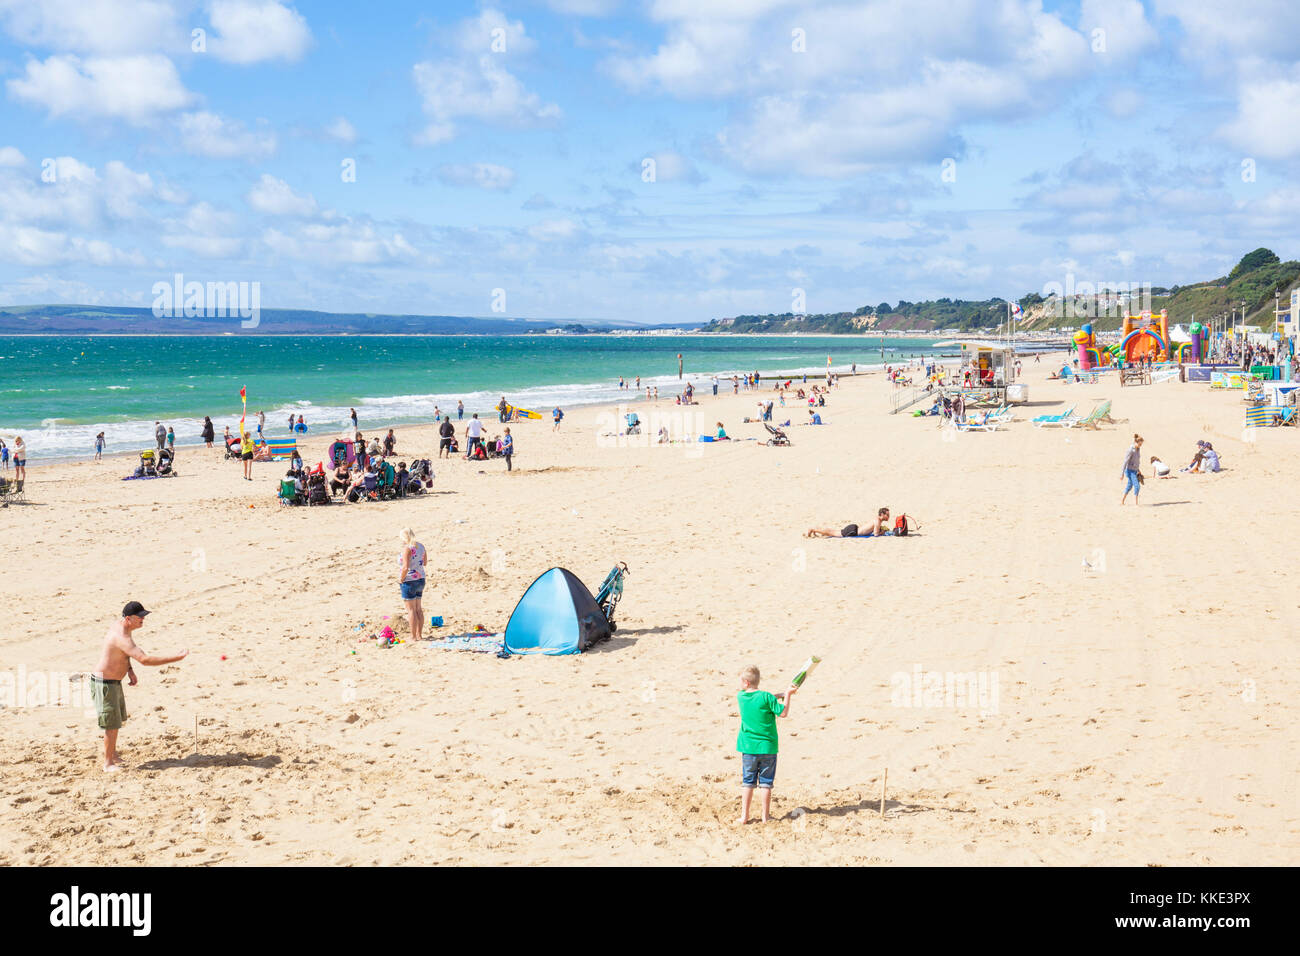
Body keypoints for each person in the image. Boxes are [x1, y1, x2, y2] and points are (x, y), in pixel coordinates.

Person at [92, 601, 188, 772]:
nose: (143, 619)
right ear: (128, 618)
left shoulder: (122, 627)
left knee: (116, 721)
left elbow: (122, 653)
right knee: (111, 724)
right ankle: (108, 763)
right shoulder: (122, 637)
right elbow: (145, 659)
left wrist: (129, 670)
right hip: (104, 684)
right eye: (140, 617)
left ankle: (112, 754)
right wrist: (176, 658)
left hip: (112, 681)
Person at [735, 664, 797, 824]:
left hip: (748, 747)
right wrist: (788, 695)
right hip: (768, 747)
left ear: (746, 683)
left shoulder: (741, 697)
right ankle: (765, 816)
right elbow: (783, 712)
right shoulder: (767, 697)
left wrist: (778, 695)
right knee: (766, 783)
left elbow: (759, 699)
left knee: (748, 782)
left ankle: (744, 816)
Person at [397, 528, 426, 643]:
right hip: (421, 579)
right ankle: (419, 635)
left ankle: (413, 637)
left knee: (411, 610)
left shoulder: (407, 549)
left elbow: (405, 567)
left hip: (409, 581)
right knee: (418, 609)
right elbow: (425, 562)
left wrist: (401, 579)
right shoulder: (421, 546)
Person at [805, 507, 891, 538]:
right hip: (853, 532)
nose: (888, 517)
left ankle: (815, 530)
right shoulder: (877, 521)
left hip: (854, 529)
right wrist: (882, 532)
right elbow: (876, 534)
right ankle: (813, 529)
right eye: (887, 515)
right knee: (833, 533)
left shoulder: (876, 519)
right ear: (882, 514)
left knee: (833, 532)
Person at [1121, 434, 1143, 505]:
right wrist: (1122, 474)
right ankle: (1136, 504)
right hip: (1129, 471)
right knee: (1137, 486)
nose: (1140, 446)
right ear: (1135, 442)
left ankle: (1122, 501)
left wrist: (1138, 470)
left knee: (1129, 486)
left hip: (1135, 470)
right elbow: (1125, 462)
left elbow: (1136, 461)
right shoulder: (1130, 450)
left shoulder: (1138, 449)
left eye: (1141, 444)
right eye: (1139, 444)